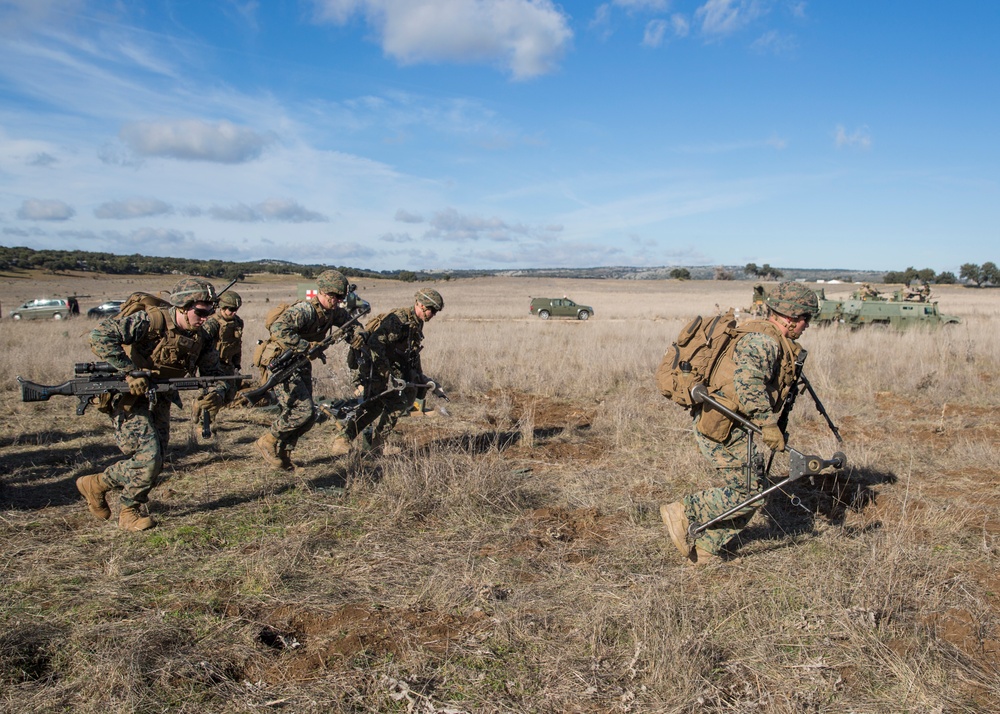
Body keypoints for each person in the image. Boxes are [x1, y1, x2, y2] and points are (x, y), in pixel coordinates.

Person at [659, 281, 819, 564]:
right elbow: (748, 383)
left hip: (736, 424)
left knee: (753, 485)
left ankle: (708, 548)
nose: (807, 325)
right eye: (806, 318)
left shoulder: (767, 336)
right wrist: (768, 424)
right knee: (751, 491)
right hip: (722, 425)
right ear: (792, 318)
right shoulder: (763, 342)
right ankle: (684, 511)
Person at [77, 278, 232, 531]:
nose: (206, 318)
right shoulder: (151, 322)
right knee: (148, 457)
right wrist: (130, 373)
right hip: (129, 397)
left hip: (160, 397)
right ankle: (129, 512)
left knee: (156, 460)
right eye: (201, 312)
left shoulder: (201, 337)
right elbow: (100, 335)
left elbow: (215, 373)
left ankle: (95, 484)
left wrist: (218, 393)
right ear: (183, 306)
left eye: (210, 312)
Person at [253, 270, 358, 470]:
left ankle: (285, 456)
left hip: (300, 363)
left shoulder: (332, 311)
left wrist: (358, 334)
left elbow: (350, 323)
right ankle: (267, 440)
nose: (336, 301)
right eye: (333, 296)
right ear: (322, 292)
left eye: (340, 297)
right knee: (301, 410)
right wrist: (305, 346)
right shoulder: (305, 310)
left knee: (308, 416)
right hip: (282, 362)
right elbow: (278, 329)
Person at [329, 288, 444, 455]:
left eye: (435, 311)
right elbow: (375, 344)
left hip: (389, 367)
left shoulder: (416, 323)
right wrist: (387, 375)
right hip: (373, 365)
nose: (433, 315)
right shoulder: (399, 319)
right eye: (431, 310)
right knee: (373, 406)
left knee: (400, 402)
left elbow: (411, 353)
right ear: (420, 304)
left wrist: (422, 378)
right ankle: (343, 440)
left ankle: (377, 444)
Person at [202, 291, 244, 373]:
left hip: (229, 365)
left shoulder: (238, 322)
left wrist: (236, 364)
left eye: (236, 309)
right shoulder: (212, 323)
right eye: (232, 309)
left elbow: (237, 345)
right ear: (223, 307)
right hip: (213, 367)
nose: (234, 312)